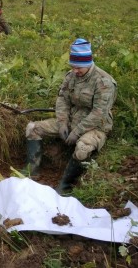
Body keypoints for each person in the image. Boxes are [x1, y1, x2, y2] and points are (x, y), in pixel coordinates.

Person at [23, 38, 117, 193]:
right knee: (32, 128)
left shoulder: (104, 82)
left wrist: (77, 132)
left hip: (95, 126)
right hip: (72, 119)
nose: (75, 71)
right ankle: (31, 170)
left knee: (82, 149)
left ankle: (65, 186)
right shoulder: (71, 76)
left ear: (88, 63)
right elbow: (62, 100)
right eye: (72, 66)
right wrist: (62, 122)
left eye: (78, 68)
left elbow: (99, 113)